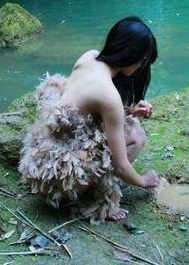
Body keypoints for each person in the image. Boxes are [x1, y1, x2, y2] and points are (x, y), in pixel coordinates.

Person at [18, 16, 160, 222]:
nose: (140, 66)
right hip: (62, 180)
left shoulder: (89, 57)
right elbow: (121, 166)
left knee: (129, 124)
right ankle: (101, 202)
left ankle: (84, 188)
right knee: (136, 135)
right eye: (142, 61)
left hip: (42, 162)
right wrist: (143, 181)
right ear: (132, 55)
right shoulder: (109, 96)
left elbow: (83, 111)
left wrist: (128, 111)